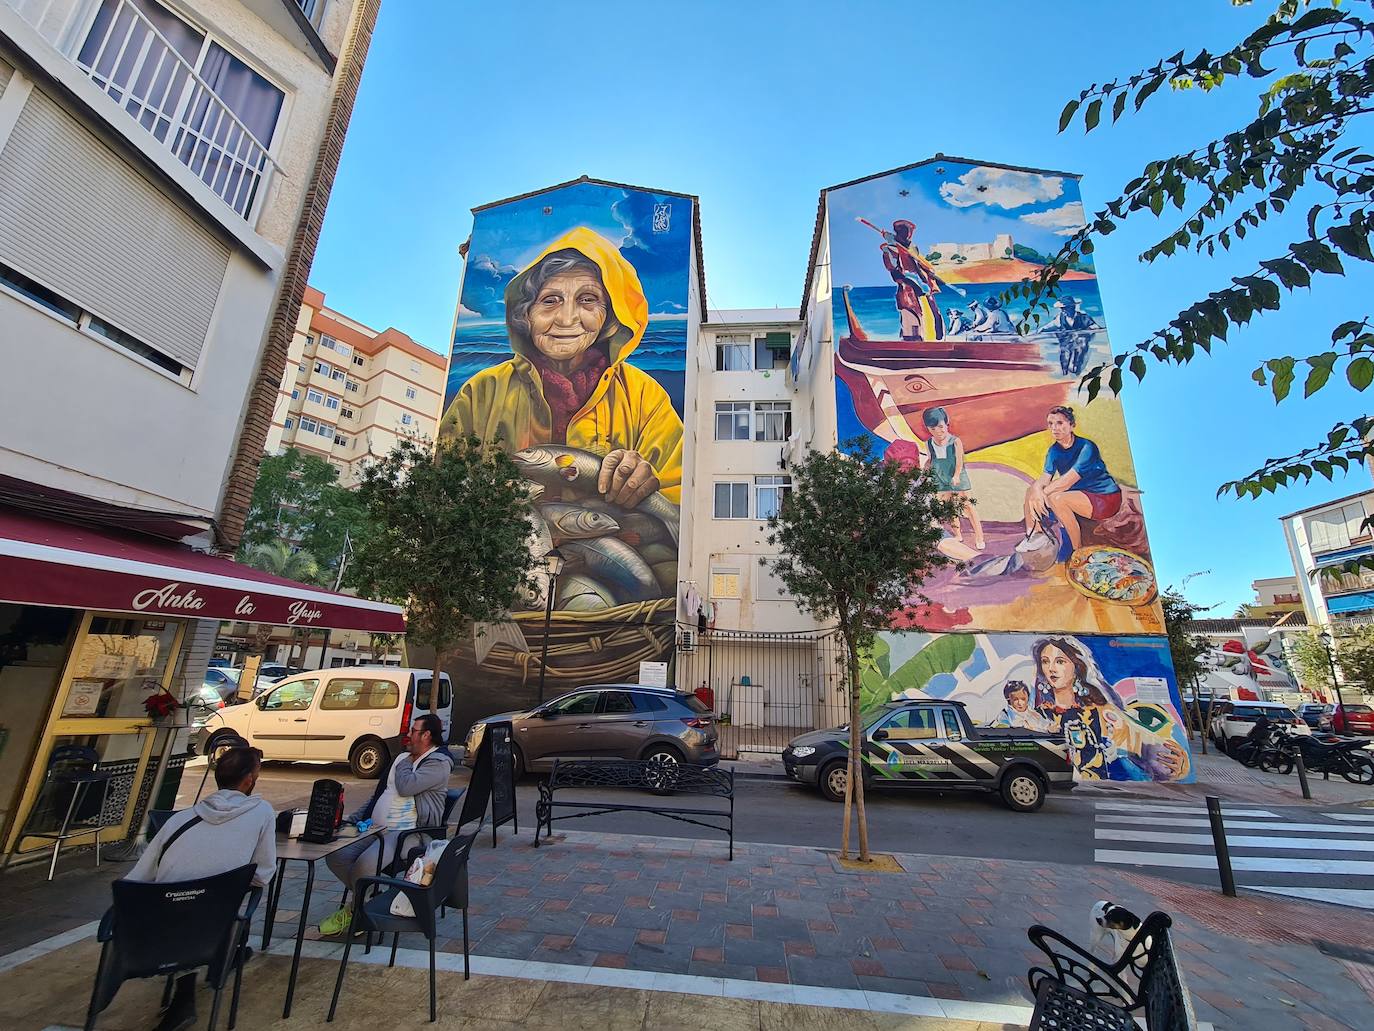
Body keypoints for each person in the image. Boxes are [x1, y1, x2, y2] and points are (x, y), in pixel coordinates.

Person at [439, 226, 683, 509]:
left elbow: (680, 500)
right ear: (525, 313)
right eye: (549, 300)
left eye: (587, 300)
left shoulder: (645, 397)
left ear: (610, 315)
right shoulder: (482, 391)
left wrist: (644, 484)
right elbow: (442, 487)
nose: (566, 319)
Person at [126, 746, 275, 1031]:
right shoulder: (262, 812)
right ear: (248, 780)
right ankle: (226, 955)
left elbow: (139, 876)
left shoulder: (178, 820)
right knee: (222, 902)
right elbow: (263, 874)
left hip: (150, 931)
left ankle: (187, 992)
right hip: (213, 923)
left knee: (188, 903)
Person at [318, 713, 453, 936]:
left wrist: (405, 761)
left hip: (407, 834)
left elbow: (406, 787)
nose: (408, 735)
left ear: (427, 735)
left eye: (413, 731)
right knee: (335, 855)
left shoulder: (438, 763)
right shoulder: (403, 758)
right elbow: (379, 795)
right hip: (375, 828)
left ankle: (357, 911)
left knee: (364, 865)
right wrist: (354, 819)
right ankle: (368, 902)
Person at [1029, 636, 1188, 782]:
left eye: (1060, 661)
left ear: (1077, 666)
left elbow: (1138, 741)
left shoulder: (1099, 712)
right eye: (1045, 661)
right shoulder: (1038, 714)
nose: (1051, 668)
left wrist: (1175, 762)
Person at [1023, 406, 1121, 552]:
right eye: (1051, 424)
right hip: (1079, 494)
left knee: (1056, 499)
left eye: (1060, 423)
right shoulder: (1054, 450)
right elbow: (1045, 477)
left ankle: (1078, 551)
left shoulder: (1087, 447)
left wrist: (1042, 494)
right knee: (1031, 491)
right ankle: (1036, 535)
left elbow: (1068, 480)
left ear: (1071, 425)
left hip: (1103, 497)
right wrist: (1037, 490)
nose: (1054, 428)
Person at [922, 406, 983, 550]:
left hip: (956, 477)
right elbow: (931, 460)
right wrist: (925, 473)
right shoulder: (929, 443)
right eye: (933, 429)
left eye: (941, 427)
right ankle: (957, 534)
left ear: (946, 424)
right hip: (940, 477)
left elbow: (959, 461)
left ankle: (979, 536)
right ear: (928, 429)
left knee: (967, 505)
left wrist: (956, 476)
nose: (938, 431)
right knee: (949, 508)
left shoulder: (955, 441)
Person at [880, 219, 945, 341]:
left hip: (922, 287)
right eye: (906, 231)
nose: (909, 234)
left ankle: (937, 341)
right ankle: (914, 345)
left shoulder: (912, 248)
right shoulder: (891, 250)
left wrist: (928, 273)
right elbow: (895, 273)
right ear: (900, 232)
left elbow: (918, 266)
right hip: (908, 290)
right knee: (913, 322)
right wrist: (914, 283)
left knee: (934, 315)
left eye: (910, 232)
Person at [1043, 296, 1101, 375]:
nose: (1063, 311)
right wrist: (1039, 331)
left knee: (1080, 347)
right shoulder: (1060, 317)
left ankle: (1076, 369)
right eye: (1062, 309)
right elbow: (1049, 326)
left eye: (1065, 308)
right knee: (1065, 357)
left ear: (1072, 307)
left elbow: (1095, 327)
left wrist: (1087, 330)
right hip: (1066, 343)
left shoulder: (1083, 317)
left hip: (1079, 343)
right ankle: (1065, 373)